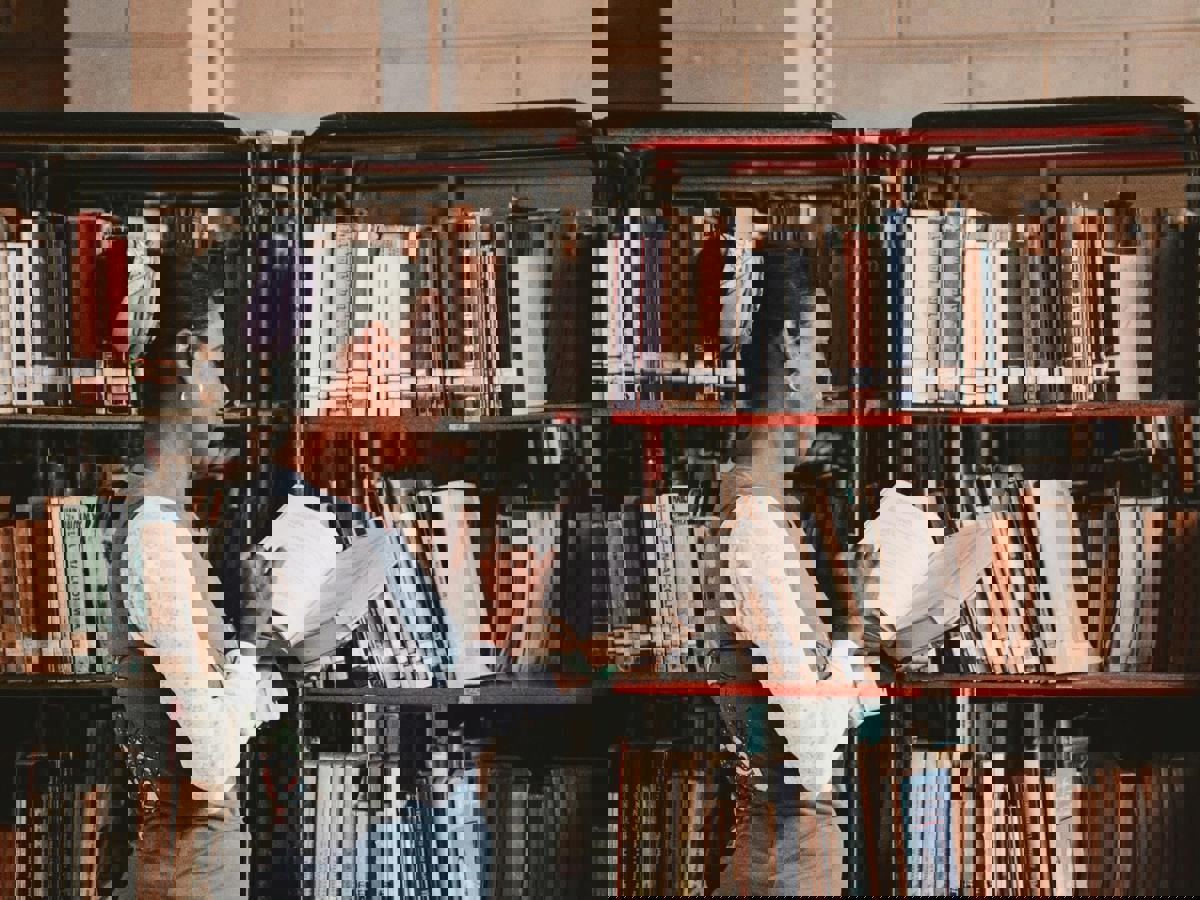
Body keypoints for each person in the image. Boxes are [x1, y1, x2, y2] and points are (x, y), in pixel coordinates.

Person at [109, 225, 265, 900]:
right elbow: (211, 761)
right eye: (220, 368)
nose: (226, 392)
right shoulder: (157, 539)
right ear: (193, 365)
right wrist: (258, 645)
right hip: (189, 867)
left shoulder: (160, 522)